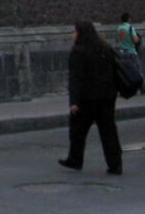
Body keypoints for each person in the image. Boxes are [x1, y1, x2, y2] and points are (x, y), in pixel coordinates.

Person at [58, 21, 122, 175]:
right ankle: (115, 164)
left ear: (80, 33)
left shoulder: (78, 51)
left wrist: (73, 102)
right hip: (107, 96)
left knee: (77, 130)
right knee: (108, 131)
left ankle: (75, 159)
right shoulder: (106, 48)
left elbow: (76, 78)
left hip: (86, 99)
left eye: (74, 31)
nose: (72, 34)